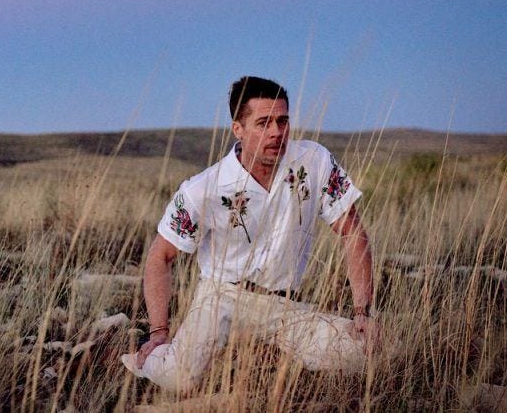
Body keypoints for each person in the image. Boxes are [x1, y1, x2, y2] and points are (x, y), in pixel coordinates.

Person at [120, 76, 379, 393]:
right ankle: (149, 356)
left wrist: (362, 312)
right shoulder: (204, 188)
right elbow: (161, 256)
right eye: (263, 123)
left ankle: (265, 355)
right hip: (221, 299)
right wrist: (159, 330)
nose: (276, 132)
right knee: (181, 380)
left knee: (364, 353)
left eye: (283, 121)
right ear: (238, 130)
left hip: (286, 306)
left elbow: (353, 233)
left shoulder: (314, 161)